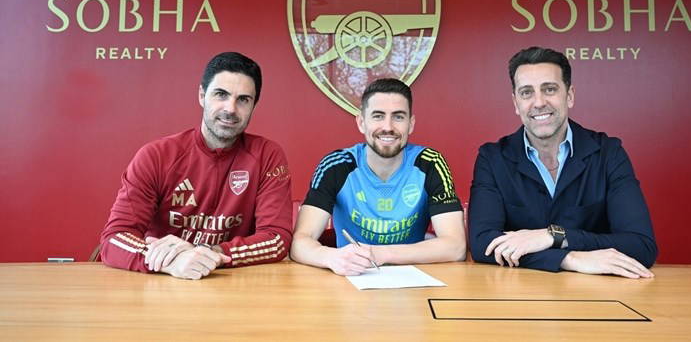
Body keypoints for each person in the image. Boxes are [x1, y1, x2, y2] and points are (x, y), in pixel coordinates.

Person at [100, 52, 292, 280]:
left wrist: (209, 254)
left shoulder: (267, 155)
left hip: (231, 286)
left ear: (254, 105)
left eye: (243, 99)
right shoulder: (156, 156)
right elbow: (115, 238)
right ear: (202, 95)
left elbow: (276, 239)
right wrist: (170, 261)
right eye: (221, 94)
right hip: (162, 282)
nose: (230, 108)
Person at [468, 46, 657, 278]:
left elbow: (641, 246)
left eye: (549, 89)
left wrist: (552, 236)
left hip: (598, 294)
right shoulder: (492, 158)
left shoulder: (609, 153)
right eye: (527, 93)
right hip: (521, 294)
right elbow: (483, 245)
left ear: (570, 96)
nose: (539, 102)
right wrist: (569, 258)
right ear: (516, 103)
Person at [291, 78, 466, 275]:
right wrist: (331, 257)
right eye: (378, 116)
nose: (388, 126)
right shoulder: (336, 165)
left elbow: (456, 246)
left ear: (411, 124)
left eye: (398, 117)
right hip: (351, 276)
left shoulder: (431, 163)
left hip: (414, 277)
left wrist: (379, 253)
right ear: (361, 123)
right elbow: (299, 243)